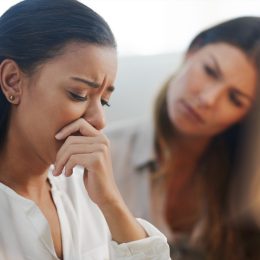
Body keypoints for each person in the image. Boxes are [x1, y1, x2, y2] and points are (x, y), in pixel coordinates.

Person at [0, 0, 171, 259]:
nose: (99, 120)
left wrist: (111, 202)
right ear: (12, 81)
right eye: (78, 94)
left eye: (104, 101)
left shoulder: (85, 191)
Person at [105, 17, 260, 259]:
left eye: (235, 99)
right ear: (192, 50)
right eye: (210, 71)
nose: (208, 99)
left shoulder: (245, 183)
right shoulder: (103, 155)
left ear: (246, 116)